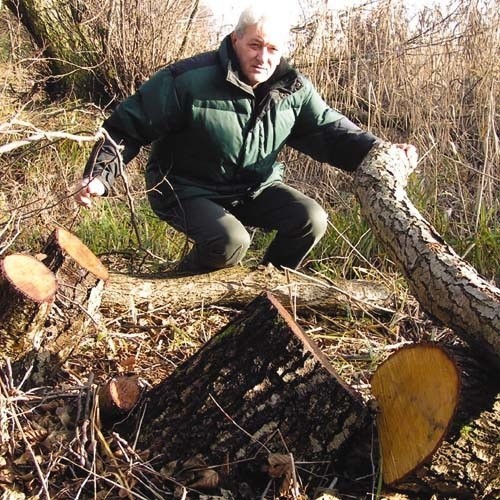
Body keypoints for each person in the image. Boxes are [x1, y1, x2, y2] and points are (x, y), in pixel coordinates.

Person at [75, 3, 417, 272]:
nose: (263, 57)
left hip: (252, 189)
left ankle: (262, 296)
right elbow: (127, 126)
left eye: (272, 48)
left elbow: (331, 131)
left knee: (310, 219)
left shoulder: (293, 90)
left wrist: (382, 151)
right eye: (255, 45)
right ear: (235, 39)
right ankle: (182, 284)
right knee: (231, 242)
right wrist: (99, 176)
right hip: (183, 187)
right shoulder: (188, 79)